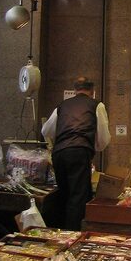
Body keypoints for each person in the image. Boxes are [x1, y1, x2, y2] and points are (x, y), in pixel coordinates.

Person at [41, 77, 111, 230]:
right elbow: (104, 137)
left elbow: (45, 130)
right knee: (78, 195)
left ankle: (58, 231)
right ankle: (73, 234)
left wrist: (62, 138)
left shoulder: (62, 105)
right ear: (92, 91)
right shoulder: (96, 105)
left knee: (63, 192)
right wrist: (95, 147)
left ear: (74, 90)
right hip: (79, 151)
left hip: (59, 153)